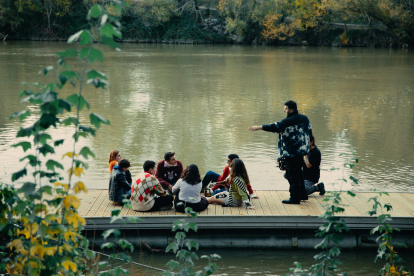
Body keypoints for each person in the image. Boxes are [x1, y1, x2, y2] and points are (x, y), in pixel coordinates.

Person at [248, 100, 311, 204]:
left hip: (290, 153)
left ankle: (294, 198)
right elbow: (310, 134)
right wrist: (306, 152)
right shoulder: (305, 118)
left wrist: (258, 127)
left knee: (292, 176)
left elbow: (274, 127)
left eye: (285, 109)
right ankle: (302, 194)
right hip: (301, 152)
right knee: (299, 173)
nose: (284, 111)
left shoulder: (287, 122)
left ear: (291, 110)